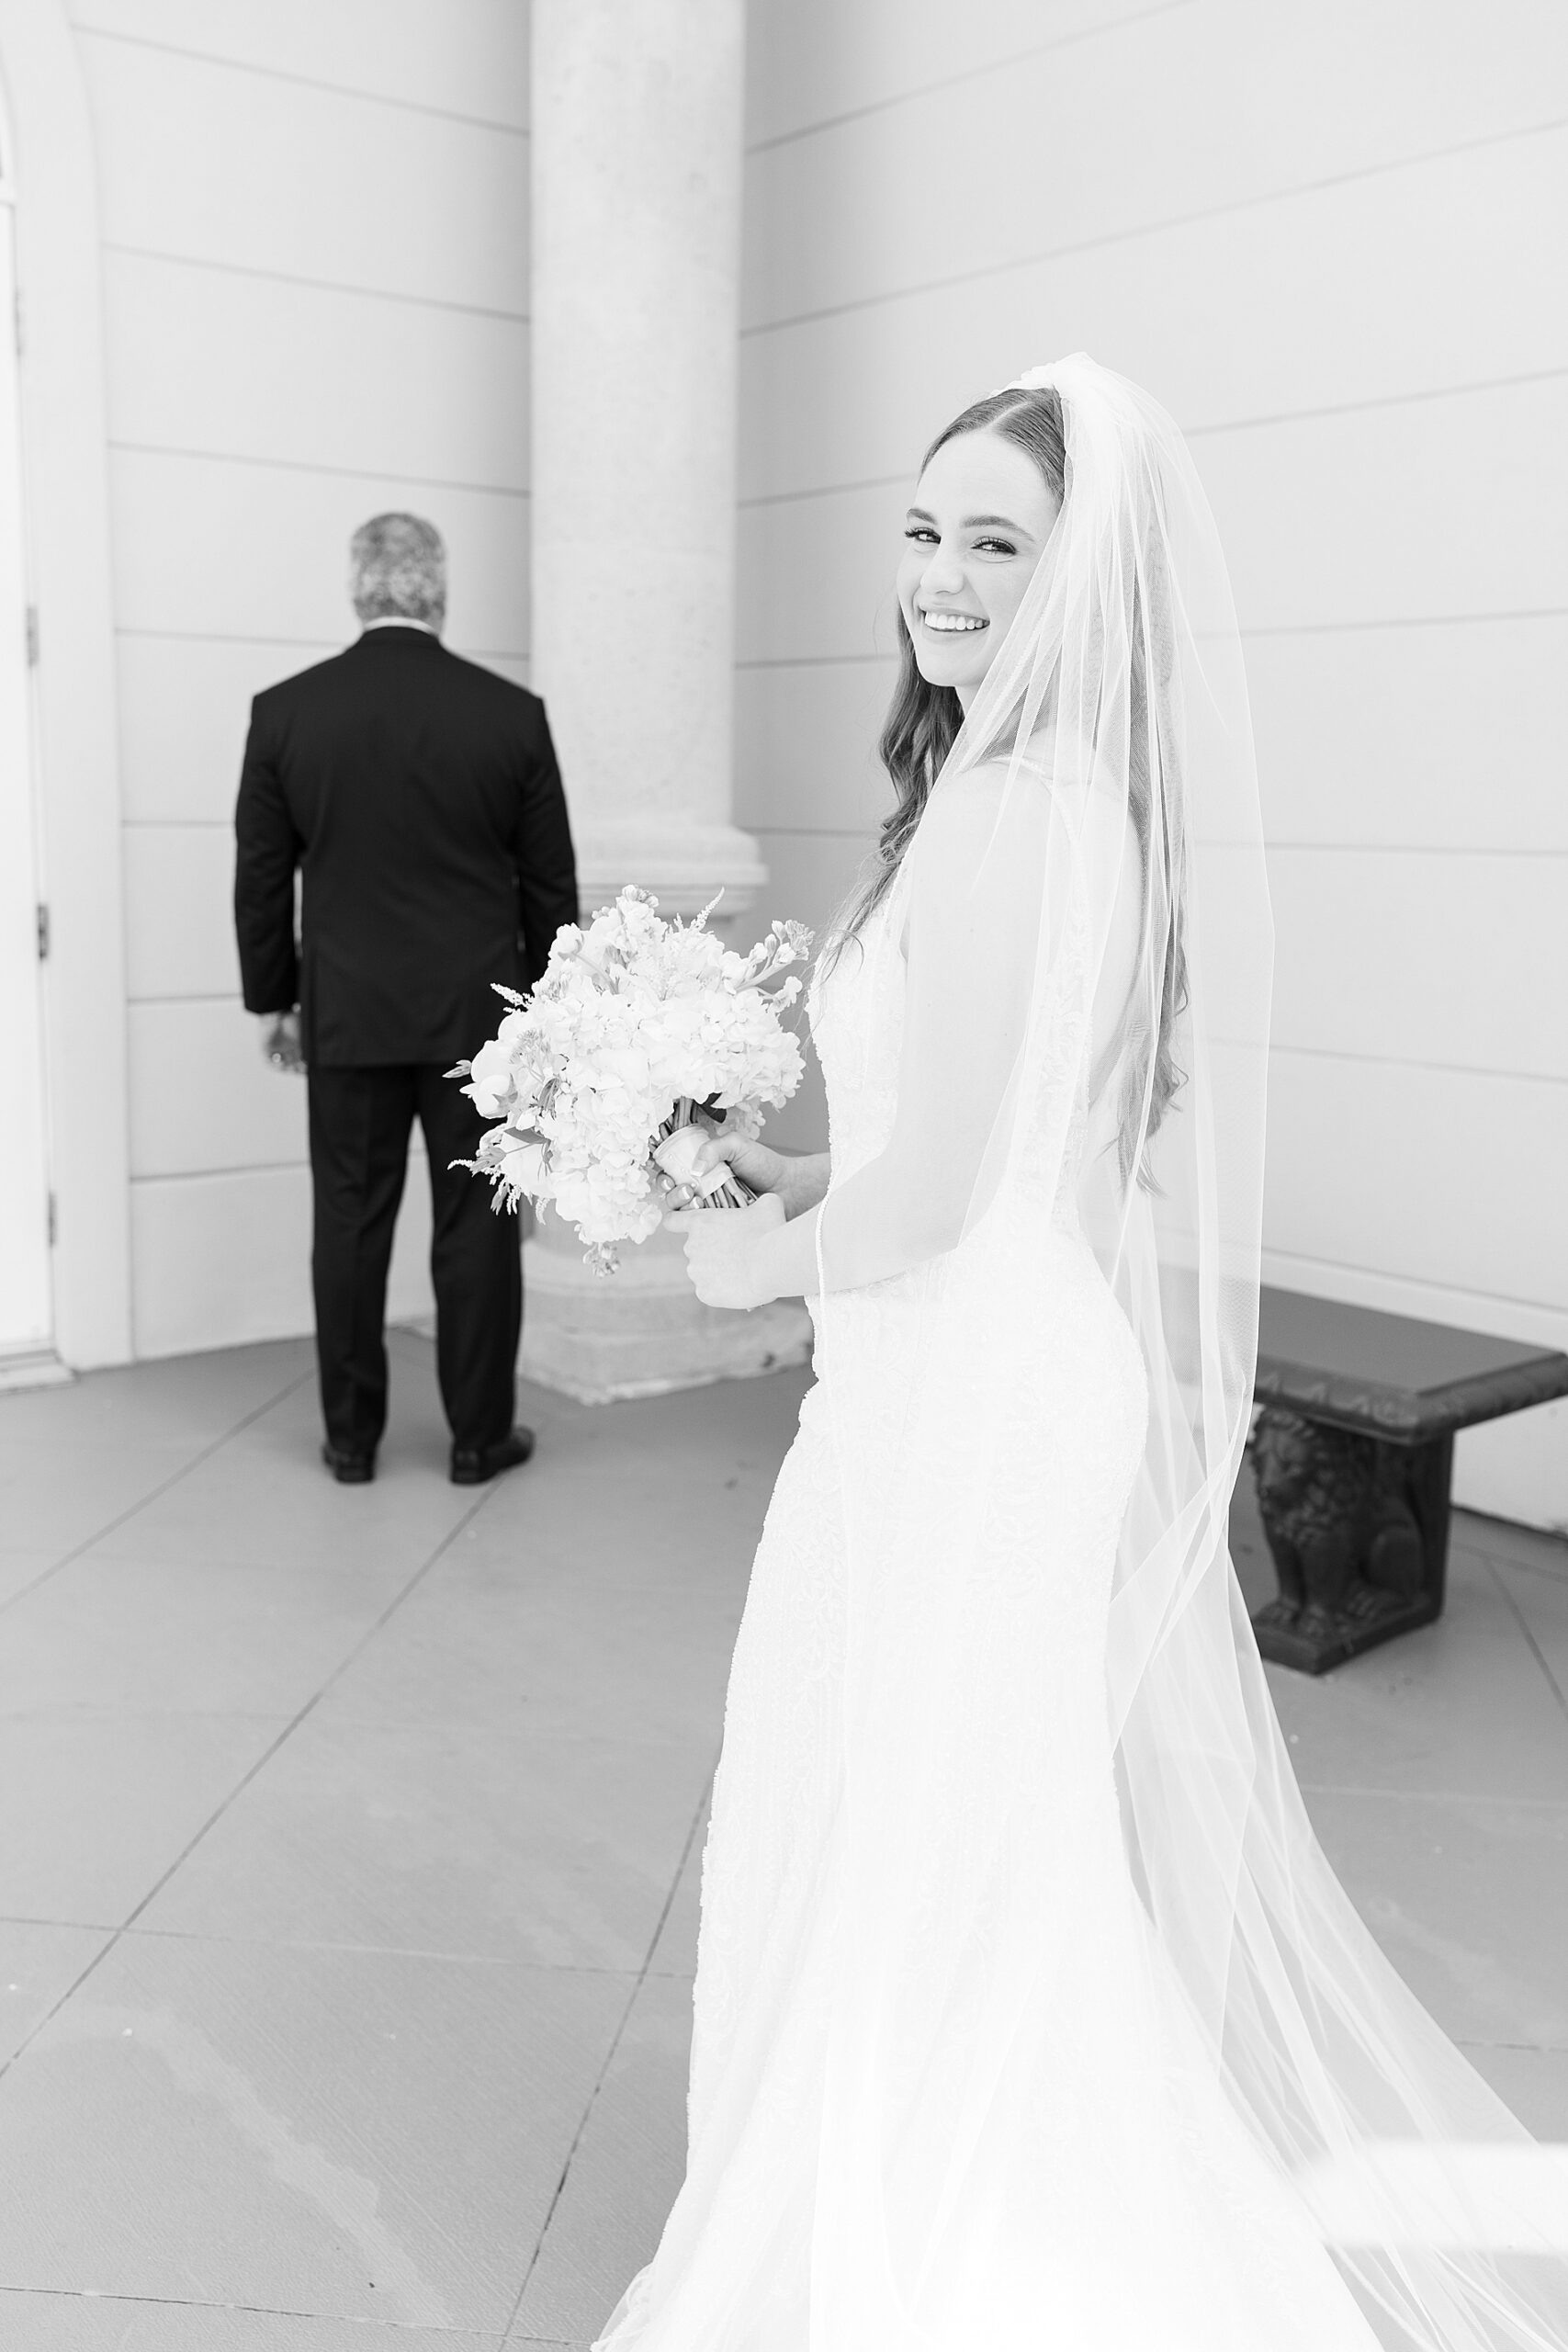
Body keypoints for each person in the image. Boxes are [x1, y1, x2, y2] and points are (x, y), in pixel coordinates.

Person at [617, 361, 1568, 2346]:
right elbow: (985, 1138)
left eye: (998, 544)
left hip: (960, 1386)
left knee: (915, 1811)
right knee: (941, 1808)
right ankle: (914, 2162)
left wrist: (740, 1266)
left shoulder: (1014, 811)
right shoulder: (1032, 796)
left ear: (1080, 583)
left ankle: (925, 2228)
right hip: (976, 1362)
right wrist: (788, 1161)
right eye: (924, 529)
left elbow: (944, 1194)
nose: (943, 579)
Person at [233, 513, 578, 1486]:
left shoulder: (287, 712)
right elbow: (551, 886)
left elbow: (263, 878)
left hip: (344, 1011)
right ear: (438, 591)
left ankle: (350, 1441)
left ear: (358, 589)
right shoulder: (509, 715)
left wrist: (275, 998)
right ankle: (478, 1439)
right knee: (475, 1223)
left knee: (346, 1221)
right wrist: (553, 1015)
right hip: (481, 1022)